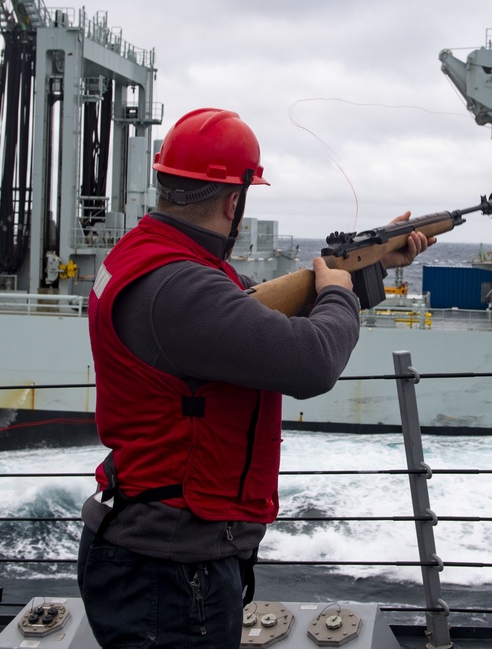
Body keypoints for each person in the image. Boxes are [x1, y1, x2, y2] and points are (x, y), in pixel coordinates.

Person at [76, 108, 430, 647]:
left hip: (157, 546)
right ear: (234, 200)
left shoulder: (153, 257)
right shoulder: (181, 287)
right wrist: (339, 291)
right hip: (170, 564)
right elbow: (312, 364)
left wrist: (369, 264)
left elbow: (243, 315)